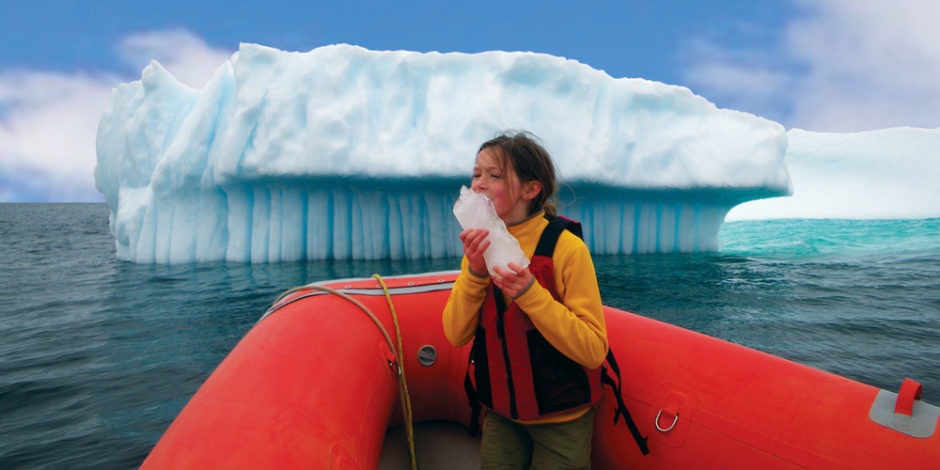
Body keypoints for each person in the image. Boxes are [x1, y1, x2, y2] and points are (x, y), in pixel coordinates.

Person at [442, 131, 608, 469]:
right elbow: (456, 334)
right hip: (501, 415)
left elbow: (593, 350)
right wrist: (474, 273)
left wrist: (531, 294)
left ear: (531, 190)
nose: (479, 185)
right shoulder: (480, 249)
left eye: (494, 175)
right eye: (476, 174)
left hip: (562, 419)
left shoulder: (567, 249)